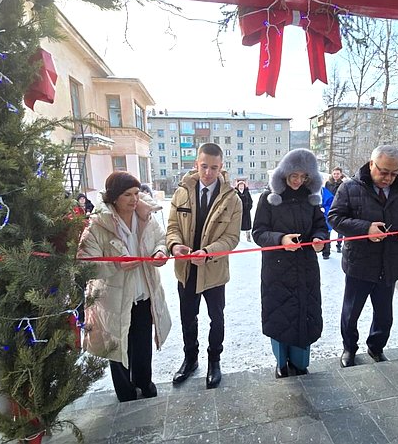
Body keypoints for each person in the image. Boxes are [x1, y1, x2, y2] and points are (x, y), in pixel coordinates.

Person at [328, 145, 398, 367]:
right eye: (383, 172)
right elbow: (334, 218)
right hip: (359, 263)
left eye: (394, 173)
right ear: (371, 164)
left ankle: (376, 347)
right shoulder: (349, 187)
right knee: (351, 312)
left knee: (384, 314)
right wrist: (365, 229)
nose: (388, 178)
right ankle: (349, 349)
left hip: (390, 262)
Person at [78, 172, 172, 402]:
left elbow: (161, 239)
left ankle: (144, 381)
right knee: (118, 344)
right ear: (113, 198)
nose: (134, 199)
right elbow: (85, 264)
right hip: (114, 298)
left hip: (144, 292)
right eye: (127, 195)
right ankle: (125, 390)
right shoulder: (97, 225)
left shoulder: (145, 217)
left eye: (136, 193)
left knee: (142, 344)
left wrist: (160, 252)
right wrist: (116, 265)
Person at [166, 143, 242, 389]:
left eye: (214, 167)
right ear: (196, 164)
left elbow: (231, 238)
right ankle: (190, 359)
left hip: (214, 270)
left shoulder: (232, 199)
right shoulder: (182, 192)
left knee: (216, 318)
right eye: (204, 166)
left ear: (222, 167)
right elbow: (172, 227)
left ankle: (214, 361)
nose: (208, 172)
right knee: (188, 317)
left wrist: (208, 253)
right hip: (186, 269)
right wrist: (175, 245)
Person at [252, 149, 327, 378]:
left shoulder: (311, 199)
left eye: (303, 176)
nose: (297, 181)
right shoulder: (269, 198)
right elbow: (258, 233)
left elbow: (321, 225)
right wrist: (280, 240)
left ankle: (300, 362)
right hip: (278, 269)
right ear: (284, 173)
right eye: (293, 175)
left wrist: (319, 239)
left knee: (305, 313)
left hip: (305, 267)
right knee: (280, 316)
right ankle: (281, 362)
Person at [323, 167, 345, 257]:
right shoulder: (328, 183)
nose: (336, 175)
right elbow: (325, 195)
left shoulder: (343, 184)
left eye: (338, 174)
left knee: (340, 227)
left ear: (341, 174)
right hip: (329, 207)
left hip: (340, 207)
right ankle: (326, 250)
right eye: (334, 173)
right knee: (327, 228)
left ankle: (339, 245)